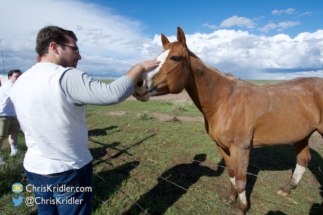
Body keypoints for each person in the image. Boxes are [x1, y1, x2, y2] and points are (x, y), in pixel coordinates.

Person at [10, 26, 159, 214]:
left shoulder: (21, 81)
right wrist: (139, 68)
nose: (79, 56)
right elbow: (111, 94)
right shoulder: (64, 76)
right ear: (55, 47)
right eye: (75, 49)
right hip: (67, 169)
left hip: (34, 168)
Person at [0, 69, 21, 165]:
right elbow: (15, 96)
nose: (18, 78)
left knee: (14, 132)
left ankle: (14, 150)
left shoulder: (16, 86)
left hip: (13, 114)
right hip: (3, 114)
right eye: (16, 76)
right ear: (10, 77)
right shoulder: (9, 85)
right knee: (1, 135)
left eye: (20, 76)